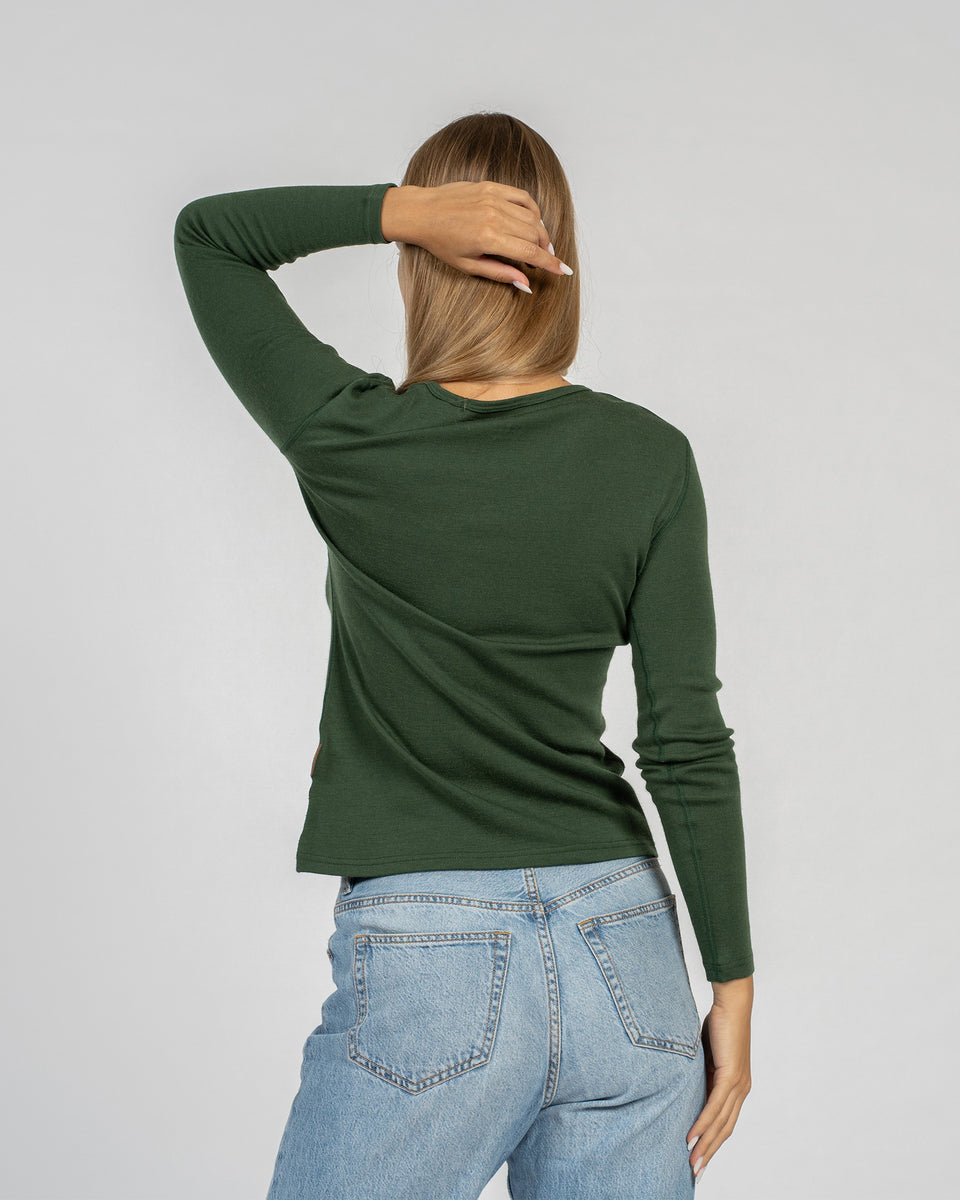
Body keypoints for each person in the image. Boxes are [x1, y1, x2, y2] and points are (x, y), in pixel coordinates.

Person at [173, 111, 754, 1200]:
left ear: (419, 265)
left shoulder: (354, 437)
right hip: (625, 944)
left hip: (431, 945)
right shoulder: (648, 456)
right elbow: (685, 738)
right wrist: (733, 980)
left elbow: (209, 237)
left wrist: (401, 212)